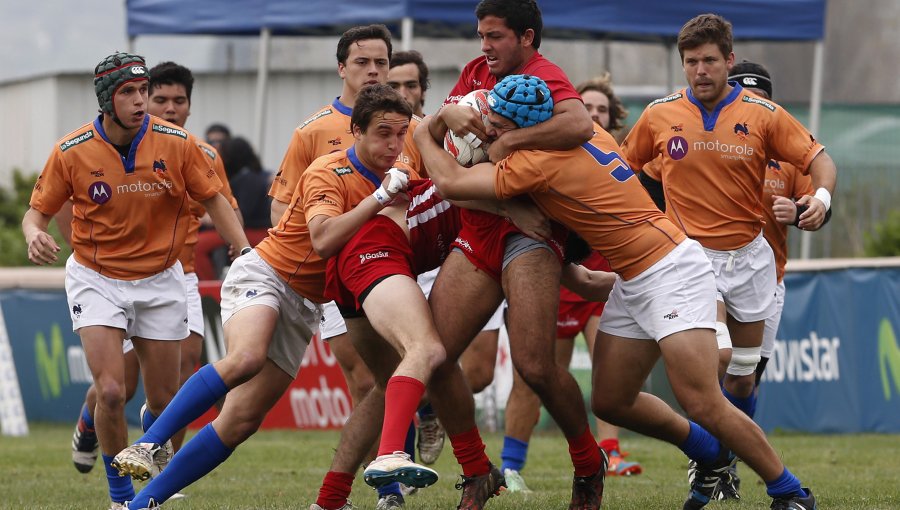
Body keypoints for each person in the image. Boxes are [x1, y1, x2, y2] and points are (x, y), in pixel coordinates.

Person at [418, 71, 821, 510]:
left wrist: (425, 131)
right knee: (611, 399)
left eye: (496, 124)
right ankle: (709, 452)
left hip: (672, 272)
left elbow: (452, 185)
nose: (489, 130)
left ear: (522, 130)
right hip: (637, 275)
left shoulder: (534, 163)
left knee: (702, 400)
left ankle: (790, 491)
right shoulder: (591, 134)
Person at [113, 84, 413, 510]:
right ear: (357, 131)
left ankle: (142, 504)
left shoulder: (399, 173)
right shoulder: (329, 170)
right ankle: (149, 443)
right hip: (266, 275)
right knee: (246, 358)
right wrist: (382, 198)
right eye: (384, 132)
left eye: (402, 134)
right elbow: (324, 239)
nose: (394, 143)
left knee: (240, 421)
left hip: (308, 306)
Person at [620, 14, 835, 508]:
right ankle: (753, 475)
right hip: (691, 261)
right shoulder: (659, 116)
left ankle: (716, 464)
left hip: (753, 259)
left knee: (740, 375)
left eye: (710, 61)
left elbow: (820, 160)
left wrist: (820, 199)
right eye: (691, 62)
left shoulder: (763, 115)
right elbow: (620, 170)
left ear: (728, 61)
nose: (700, 70)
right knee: (712, 362)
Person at [23, 52, 249, 510]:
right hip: (96, 278)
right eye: (130, 92)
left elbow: (216, 199)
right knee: (111, 389)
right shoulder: (71, 150)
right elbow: (37, 211)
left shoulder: (178, 144)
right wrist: (33, 234)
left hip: (161, 279)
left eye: (144, 91)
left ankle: (142, 455)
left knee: (166, 404)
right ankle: (121, 498)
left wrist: (243, 249)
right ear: (107, 98)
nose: (141, 101)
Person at [419, 2, 607, 509]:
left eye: (495, 36)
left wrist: (513, 142)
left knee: (534, 366)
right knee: (432, 357)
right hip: (482, 228)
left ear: (526, 37)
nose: (484, 46)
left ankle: (589, 465)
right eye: (481, 35)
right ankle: (478, 472)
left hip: (532, 232)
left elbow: (579, 126)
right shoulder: (475, 73)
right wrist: (443, 115)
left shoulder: (546, 76)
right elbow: (438, 146)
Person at [270, 24, 423, 509]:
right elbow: (283, 210)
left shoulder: (410, 127)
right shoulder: (312, 131)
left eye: (381, 62)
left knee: (404, 367)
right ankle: (388, 485)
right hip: (333, 272)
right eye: (362, 62)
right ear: (342, 68)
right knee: (366, 378)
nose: (374, 70)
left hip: (391, 266)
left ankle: (386, 470)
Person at [500, 73, 642, 494]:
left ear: (611, 117)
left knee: (610, 375)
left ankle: (610, 451)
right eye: (587, 107)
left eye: (601, 109)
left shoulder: (614, 153)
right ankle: (511, 467)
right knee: (535, 373)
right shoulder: (541, 156)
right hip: (556, 281)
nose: (593, 114)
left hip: (600, 281)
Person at [388, 50, 429, 116]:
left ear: (423, 91)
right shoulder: (368, 126)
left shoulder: (439, 126)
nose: (402, 95)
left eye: (411, 86)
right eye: (393, 87)